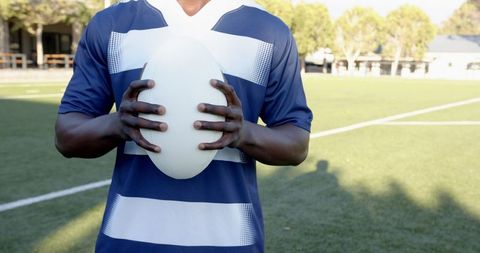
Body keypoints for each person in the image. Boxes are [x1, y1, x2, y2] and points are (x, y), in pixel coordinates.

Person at [55, 0, 312, 252]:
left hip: (230, 243)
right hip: (126, 242)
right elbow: (67, 135)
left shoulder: (268, 32)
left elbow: (296, 144)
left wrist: (243, 132)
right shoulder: (112, 24)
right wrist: (118, 124)